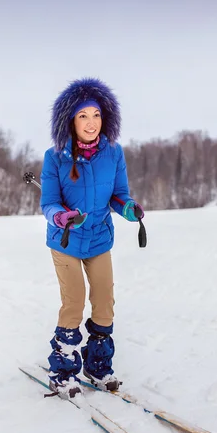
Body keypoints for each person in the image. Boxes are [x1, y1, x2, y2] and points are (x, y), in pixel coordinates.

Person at [40, 77, 144, 399]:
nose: (91, 122)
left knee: (104, 303)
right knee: (74, 302)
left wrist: (127, 208)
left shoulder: (113, 153)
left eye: (96, 115)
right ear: (71, 118)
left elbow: (118, 195)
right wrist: (62, 216)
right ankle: (62, 371)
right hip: (66, 240)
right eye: (83, 115)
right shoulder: (55, 156)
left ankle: (97, 367)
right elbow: (48, 203)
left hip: (99, 238)